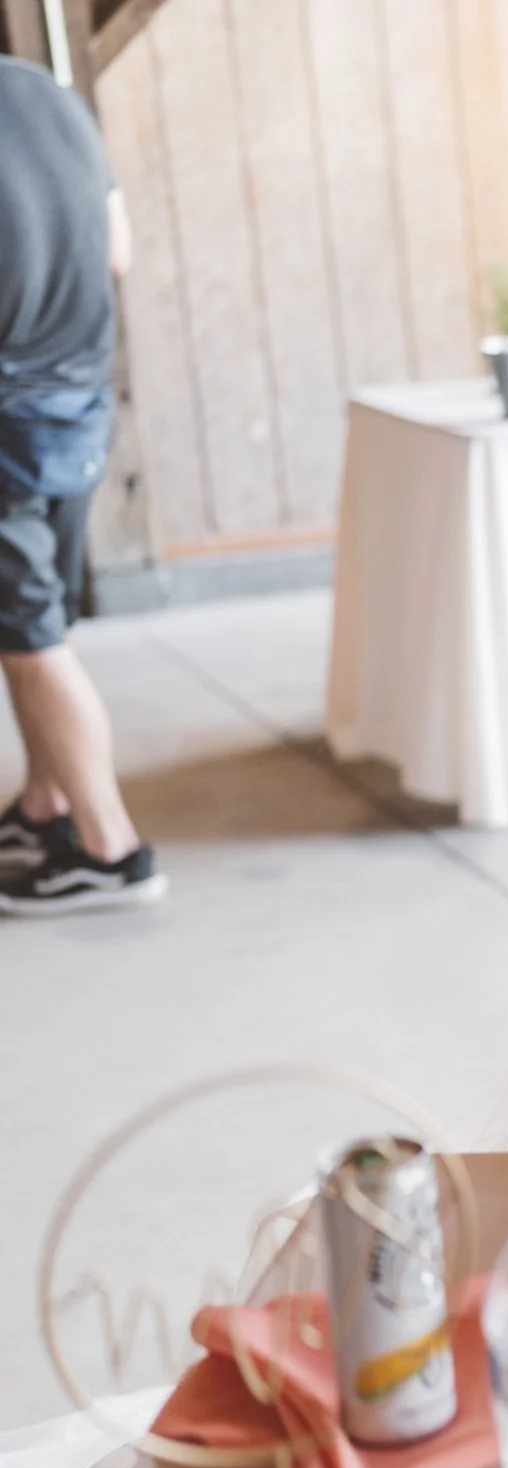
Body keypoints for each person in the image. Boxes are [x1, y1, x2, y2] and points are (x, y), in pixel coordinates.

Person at [0, 56, 160, 915]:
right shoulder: (48, 94)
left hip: (5, 419)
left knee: (31, 640)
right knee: (35, 625)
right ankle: (45, 806)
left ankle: (111, 850)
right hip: (77, 401)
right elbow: (118, 252)